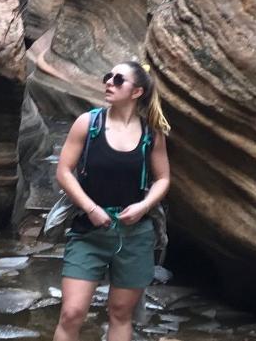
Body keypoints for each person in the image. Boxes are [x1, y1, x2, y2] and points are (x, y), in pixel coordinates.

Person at [52, 60, 171, 341]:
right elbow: (63, 171)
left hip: (135, 235)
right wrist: (90, 208)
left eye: (118, 80)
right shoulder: (88, 123)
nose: (109, 82)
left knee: (120, 313)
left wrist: (143, 206)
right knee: (72, 312)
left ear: (137, 92)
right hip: (89, 230)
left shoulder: (151, 134)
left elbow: (163, 179)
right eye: (108, 77)